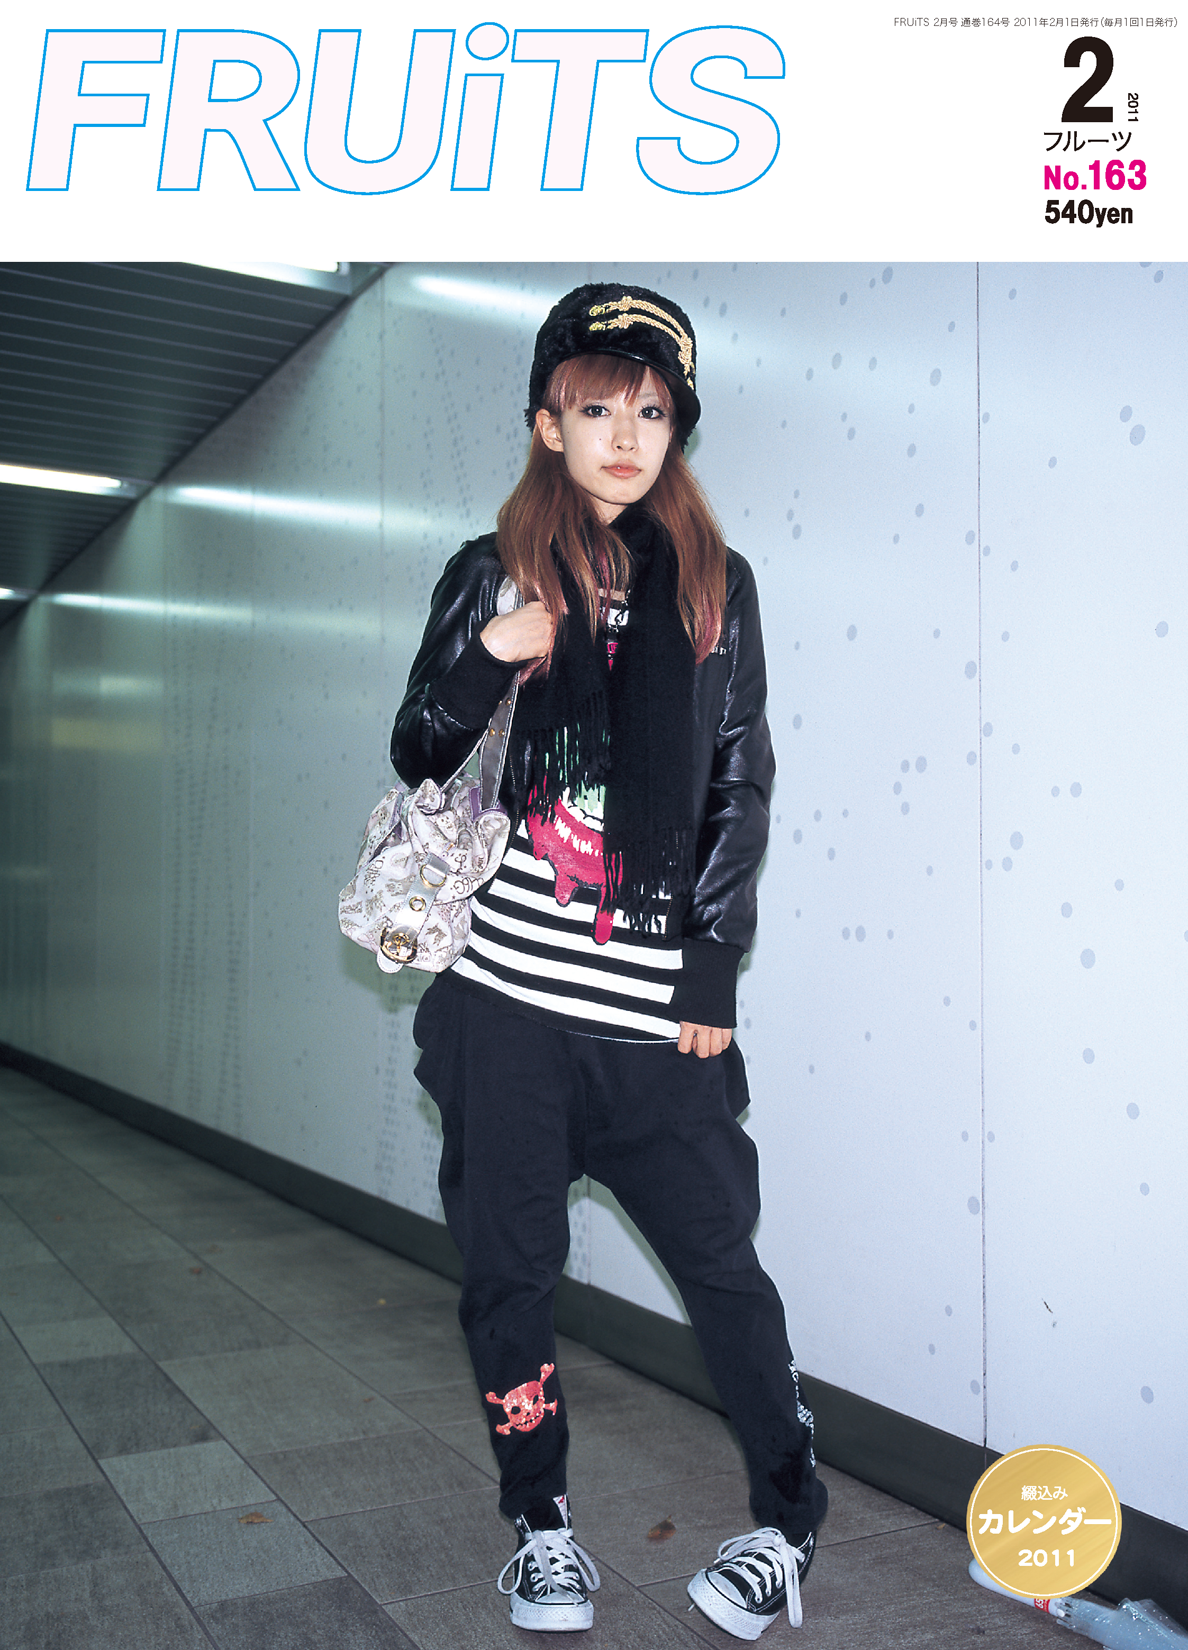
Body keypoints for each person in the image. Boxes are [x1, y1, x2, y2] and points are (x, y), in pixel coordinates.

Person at [391, 283, 828, 1638]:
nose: (627, 435)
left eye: (652, 410)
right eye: (597, 408)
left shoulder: (716, 587)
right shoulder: (492, 568)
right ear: (549, 423)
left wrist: (712, 968)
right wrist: (490, 654)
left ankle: (789, 1517)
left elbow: (739, 781)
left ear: (676, 429)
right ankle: (543, 1526)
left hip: (654, 1022)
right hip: (506, 1009)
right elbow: (418, 746)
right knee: (509, 1277)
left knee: (724, 1274)